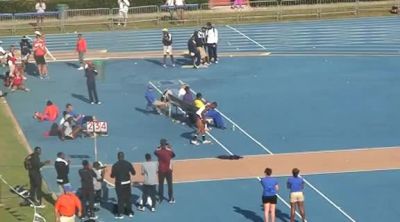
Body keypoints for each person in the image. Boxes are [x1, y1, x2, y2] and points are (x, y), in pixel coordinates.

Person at [111, 152, 136, 219]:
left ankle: (120, 214)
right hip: (127, 184)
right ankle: (130, 212)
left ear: (118, 157)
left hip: (119, 184)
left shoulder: (115, 165)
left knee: (120, 199)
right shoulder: (128, 163)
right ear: (123, 156)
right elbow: (133, 173)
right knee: (128, 198)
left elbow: (112, 176)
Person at [154, 139, 175, 203]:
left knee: (161, 185)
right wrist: (170, 148)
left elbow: (155, 152)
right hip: (168, 170)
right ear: (166, 144)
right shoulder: (169, 152)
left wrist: (159, 147)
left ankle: (160, 199)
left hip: (161, 170)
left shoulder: (158, 152)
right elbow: (173, 155)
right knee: (170, 184)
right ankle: (170, 198)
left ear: (160, 144)